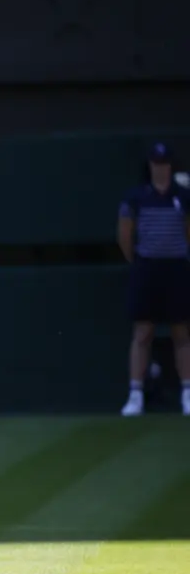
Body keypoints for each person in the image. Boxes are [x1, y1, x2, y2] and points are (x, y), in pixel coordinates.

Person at [117, 143, 190, 417]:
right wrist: (136, 261)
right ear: (149, 166)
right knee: (143, 333)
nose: (160, 167)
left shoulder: (183, 197)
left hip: (177, 270)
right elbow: (125, 234)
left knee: (182, 333)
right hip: (146, 270)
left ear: (171, 165)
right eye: (156, 163)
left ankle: (188, 394)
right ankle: (135, 395)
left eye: (165, 163)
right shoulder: (135, 197)